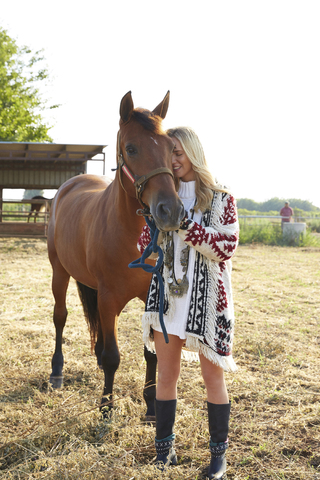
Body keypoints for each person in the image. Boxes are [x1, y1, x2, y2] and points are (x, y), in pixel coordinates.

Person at [137, 126, 239, 479]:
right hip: (168, 301)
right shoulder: (161, 194)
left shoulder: (222, 198)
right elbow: (142, 250)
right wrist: (152, 227)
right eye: (169, 154)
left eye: (178, 152)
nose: (174, 160)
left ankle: (218, 460)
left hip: (208, 304)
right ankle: (164, 451)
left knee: (213, 380)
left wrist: (185, 226)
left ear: (193, 153)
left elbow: (225, 247)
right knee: (167, 377)